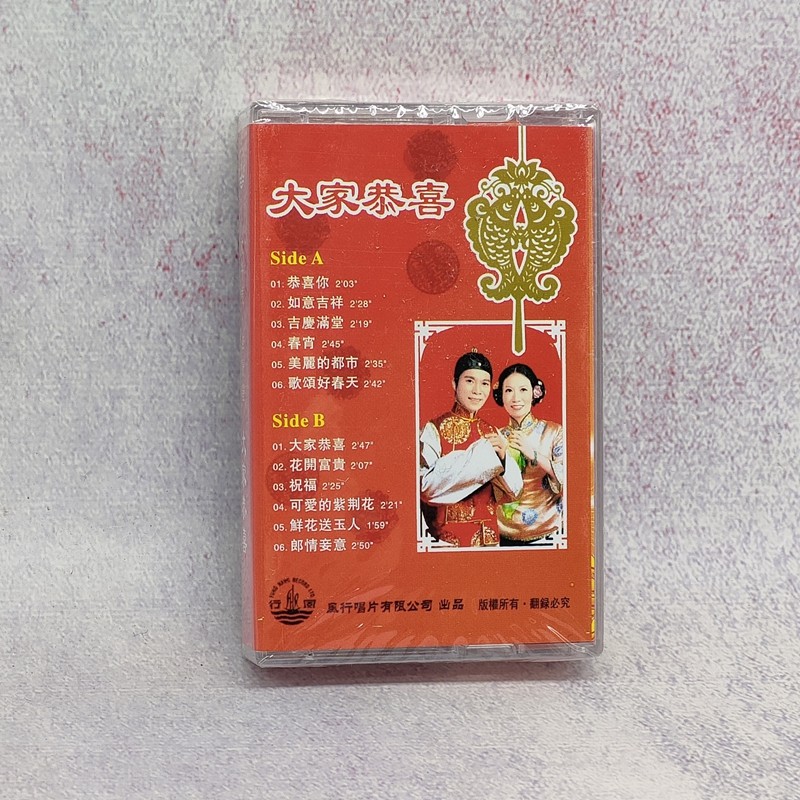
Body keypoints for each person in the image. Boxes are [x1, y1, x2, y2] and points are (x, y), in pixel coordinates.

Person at [420, 350, 522, 548]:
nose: (477, 391)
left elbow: (514, 492)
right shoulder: (434, 428)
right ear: (454, 383)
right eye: (469, 381)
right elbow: (427, 489)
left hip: (489, 538)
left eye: (484, 383)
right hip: (448, 539)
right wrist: (483, 456)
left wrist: (503, 460)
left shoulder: (492, 431)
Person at [492, 363, 564, 545]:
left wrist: (534, 454)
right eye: (509, 390)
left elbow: (568, 477)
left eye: (523, 389)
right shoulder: (496, 437)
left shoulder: (553, 432)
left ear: (535, 392)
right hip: (503, 532)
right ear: (501, 395)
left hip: (547, 529)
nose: (516, 398)